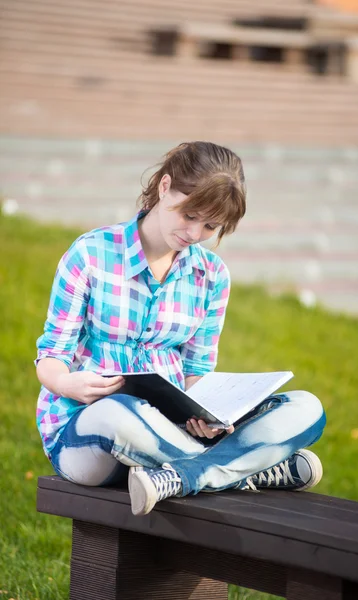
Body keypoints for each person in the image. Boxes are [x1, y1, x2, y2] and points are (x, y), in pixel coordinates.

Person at [35, 141, 326, 517]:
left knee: (306, 407)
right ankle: (250, 469)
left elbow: (195, 375)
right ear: (164, 186)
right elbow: (51, 357)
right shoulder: (90, 255)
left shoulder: (212, 276)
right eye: (189, 215)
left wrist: (209, 415)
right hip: (91, 433)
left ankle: (186, 474)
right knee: (118, 412)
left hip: (174, 435)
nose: (194, 232)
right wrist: (66, 383)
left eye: (210, 225)